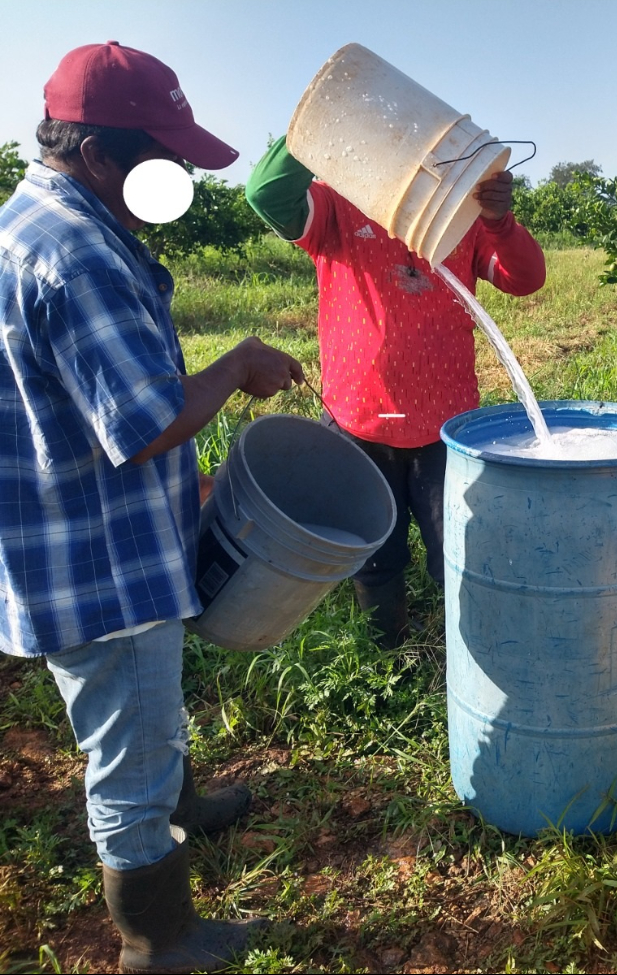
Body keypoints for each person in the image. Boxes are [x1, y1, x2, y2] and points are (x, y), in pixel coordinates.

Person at [0, 42, 304, 972]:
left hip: (81, 525)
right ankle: (157, 939)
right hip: (102, 559)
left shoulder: (34, 219)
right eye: (160, 156)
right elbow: (142, 419)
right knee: (127, 746)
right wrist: (238, 366)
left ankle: (178, 803)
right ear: (97, 153)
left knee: (148, 710)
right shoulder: (79, 254)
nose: (174, 175)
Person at [245, 135, 546, 648]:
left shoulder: (460, 218)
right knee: (373, 557)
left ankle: (472, 657)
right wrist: (319, 126)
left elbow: (525, 278)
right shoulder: (335, 205)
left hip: (445, 429)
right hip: (357, 423)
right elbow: (268, 194)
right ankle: (389, 655)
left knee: (458, 551)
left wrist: (499, 221)